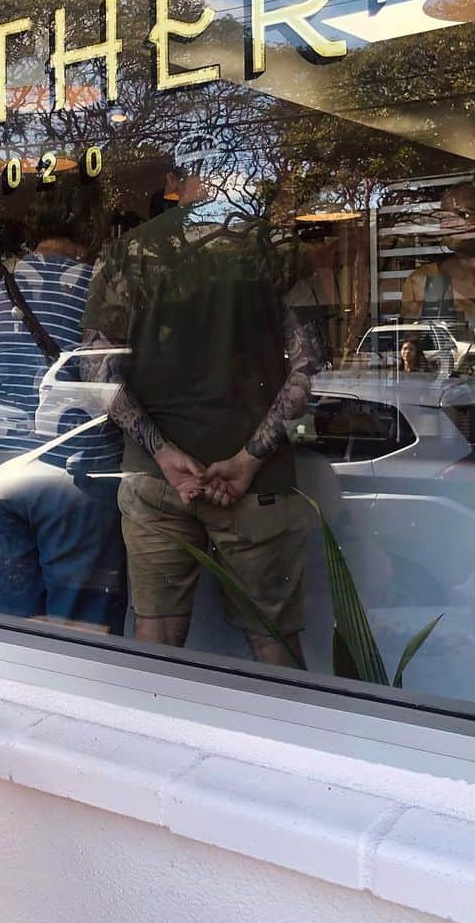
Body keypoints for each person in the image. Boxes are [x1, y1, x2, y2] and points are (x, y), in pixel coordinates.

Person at [82, 164, 326, 668]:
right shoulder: (274, 248)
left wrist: (164, 454)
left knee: (157, 636)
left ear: (177, 181)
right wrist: (248, 458)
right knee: (272, 644)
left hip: (156, 481)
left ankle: (155, 742)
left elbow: (95, 370)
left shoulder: (132, 252)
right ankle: (290, 747)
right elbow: (307, 366)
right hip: (257, 485)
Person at [0, 191, 127, 632]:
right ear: (87, 231)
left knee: (17, 618)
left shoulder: (5, 286)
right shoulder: (94, 283)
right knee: (77, 626)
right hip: (68, 461)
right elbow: (105, 375)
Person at [400, 182, 475, 331]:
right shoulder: (421, 280)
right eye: (443, 217)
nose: (447, 225)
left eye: (463, 215)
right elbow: (411, 340)